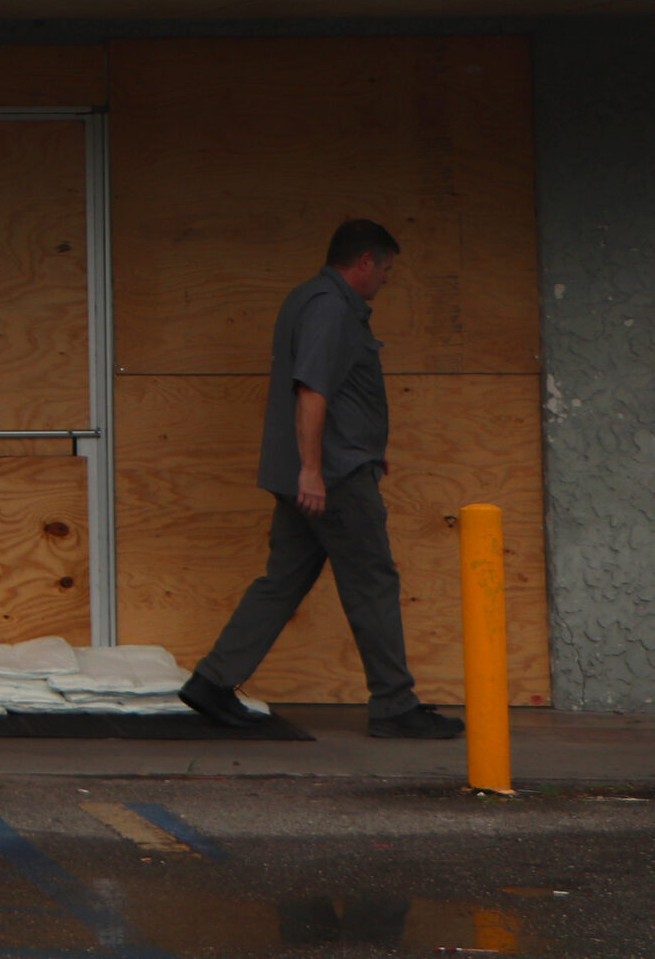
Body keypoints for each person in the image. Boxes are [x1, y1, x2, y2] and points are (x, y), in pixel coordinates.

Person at [177, 220, 466, 740]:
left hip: (320, 471)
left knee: (283, 580)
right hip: (331, 479)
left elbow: (336, 392)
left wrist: (364, 447)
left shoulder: (307, 299)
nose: (385, 281)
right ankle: (394, 705)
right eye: (386, 271)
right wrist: (315, 469)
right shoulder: (331, 309)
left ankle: (213, 682)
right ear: (363, 264)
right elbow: (311, 390)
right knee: (373, 583)